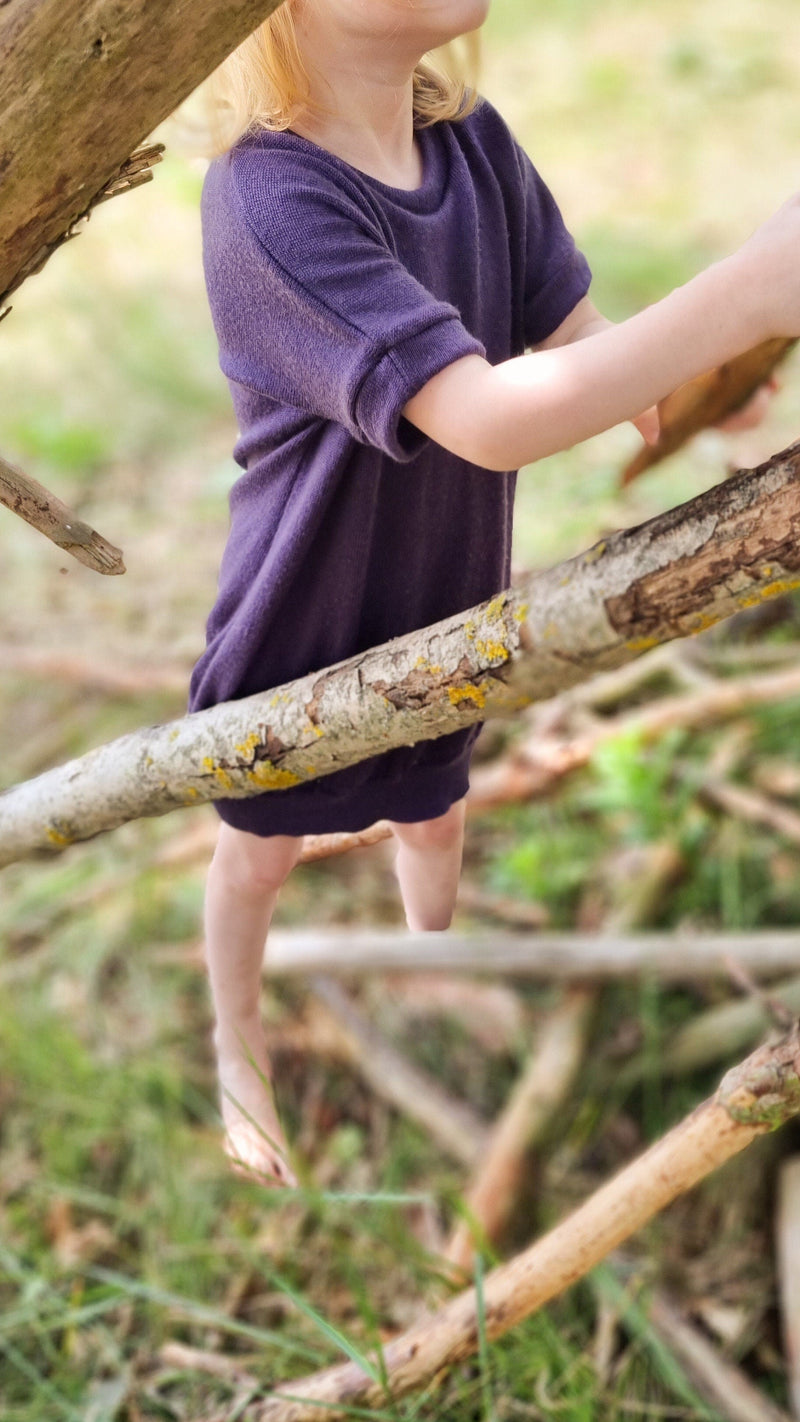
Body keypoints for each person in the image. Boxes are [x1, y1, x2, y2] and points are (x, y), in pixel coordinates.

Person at [188, 0, 799, 1187]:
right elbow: (488, 421)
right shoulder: (268, 201)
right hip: (300, 609)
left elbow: (569, 328)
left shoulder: (468, 142)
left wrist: (693, 390)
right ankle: (237, 1046)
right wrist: (742, 294)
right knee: (256, 850)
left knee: (435, 808)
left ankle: (431, 960)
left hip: (441, 592)